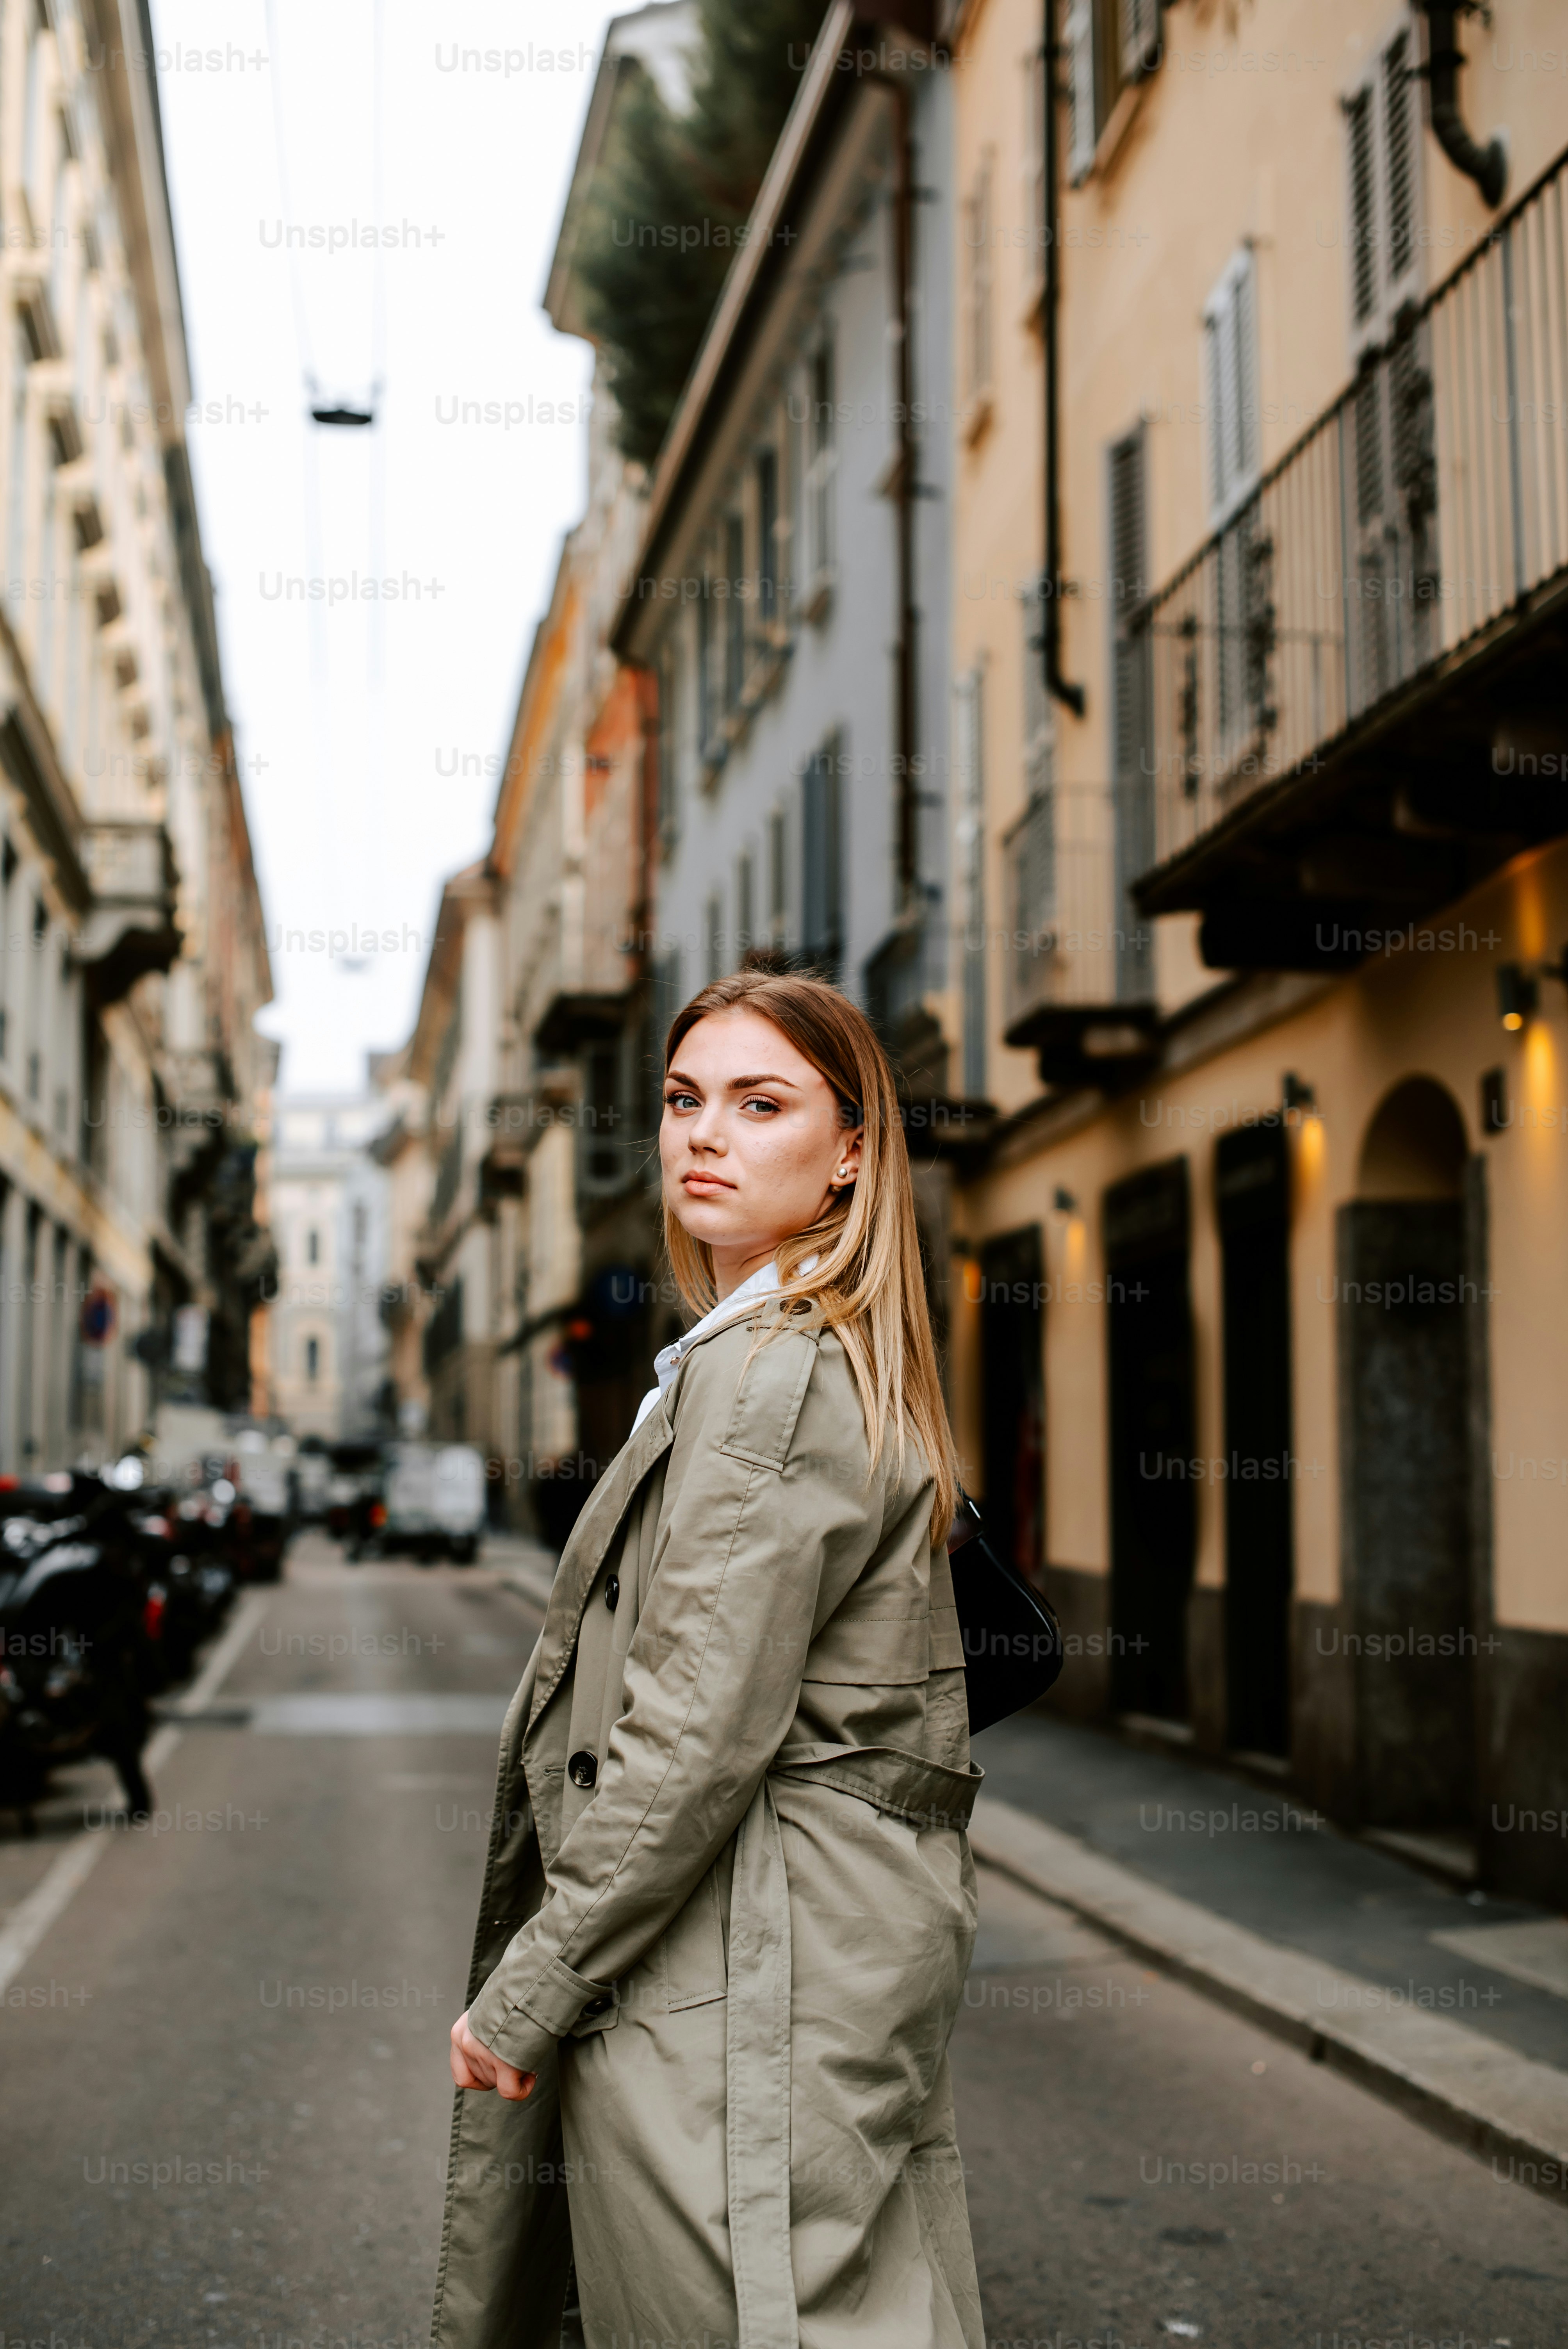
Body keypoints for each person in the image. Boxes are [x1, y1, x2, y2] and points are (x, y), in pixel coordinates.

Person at [432, 971, 984, 2349]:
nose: (703, 1135)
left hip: (750, 1953)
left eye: (760, 1102)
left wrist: (535, 1986)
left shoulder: (770, 1371)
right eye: (684, 1100)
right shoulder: (789, 1351)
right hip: (801, 1947)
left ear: (853, 1149)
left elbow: (693, 1736)